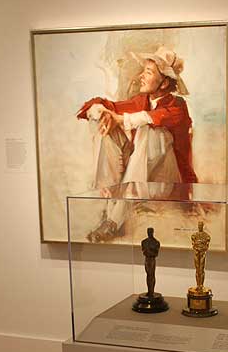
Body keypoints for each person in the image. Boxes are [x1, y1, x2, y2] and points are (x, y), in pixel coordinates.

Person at [76, 46, 197, 242]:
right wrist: (103, 113)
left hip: (166, 182)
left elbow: (153, 117)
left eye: (148, 72)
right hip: (142, 177)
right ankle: (111, 206)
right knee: (106, 128)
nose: (141, 76)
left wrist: (119, 118)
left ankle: (114, 221)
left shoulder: (178, 106)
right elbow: (111, 107)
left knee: (150, 129)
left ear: (164, 82)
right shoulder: (142, 100)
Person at [141, 227, 160, 297]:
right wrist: (149, 252)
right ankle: (149, 291)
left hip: (152, 260)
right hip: (147, 259)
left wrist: (149, 252)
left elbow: (156, 253)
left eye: (150, 232)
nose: (149, 233)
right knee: (148, 275)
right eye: (148, 232)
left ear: (152, 232)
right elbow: (143, 251)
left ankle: (151, 291)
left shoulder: (156, 242)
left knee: (151, 275)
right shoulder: (144, 242)